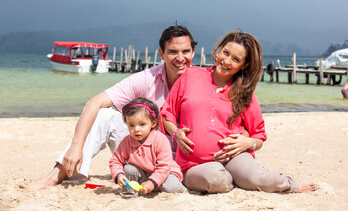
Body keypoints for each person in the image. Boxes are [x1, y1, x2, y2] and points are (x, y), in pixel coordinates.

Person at [20, 25, 197, 189]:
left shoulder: (201, 81)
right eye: (173, 52)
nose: (180, 58)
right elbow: (94, 102)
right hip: (144, 154)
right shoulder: (147, 79)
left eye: (186, 51)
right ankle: (56, 175)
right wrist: (76, 146)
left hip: (184, 158)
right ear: (161, 53)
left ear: (193, 52)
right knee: (105, 114)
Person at [161, 30, 319, 194]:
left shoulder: (245, 94)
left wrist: (247, 143)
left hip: (234, 159)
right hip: (192, 164)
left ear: (244, 65)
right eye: (226, 53)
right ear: (220, 49)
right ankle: (236, 179)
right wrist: (176, 133)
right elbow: (167, 113)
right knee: (216, 179)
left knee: (256, 177)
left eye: (235, 59)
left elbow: (259, 136)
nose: (226, 61)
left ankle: (290, 184)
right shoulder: (191, 76)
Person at [109, 97, 186, 197]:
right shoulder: (127, 141)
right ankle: (129, 192)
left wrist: (152, 182)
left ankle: (181, 189)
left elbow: (164, 166)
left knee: (170, 187)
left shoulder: (160, 140)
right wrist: (118, 174)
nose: (136, 129)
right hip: (143, 174)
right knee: (129, 169)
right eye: (131, 125)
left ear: (153, 123)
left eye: (142, 124)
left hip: (165, 173)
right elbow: (115, 160)